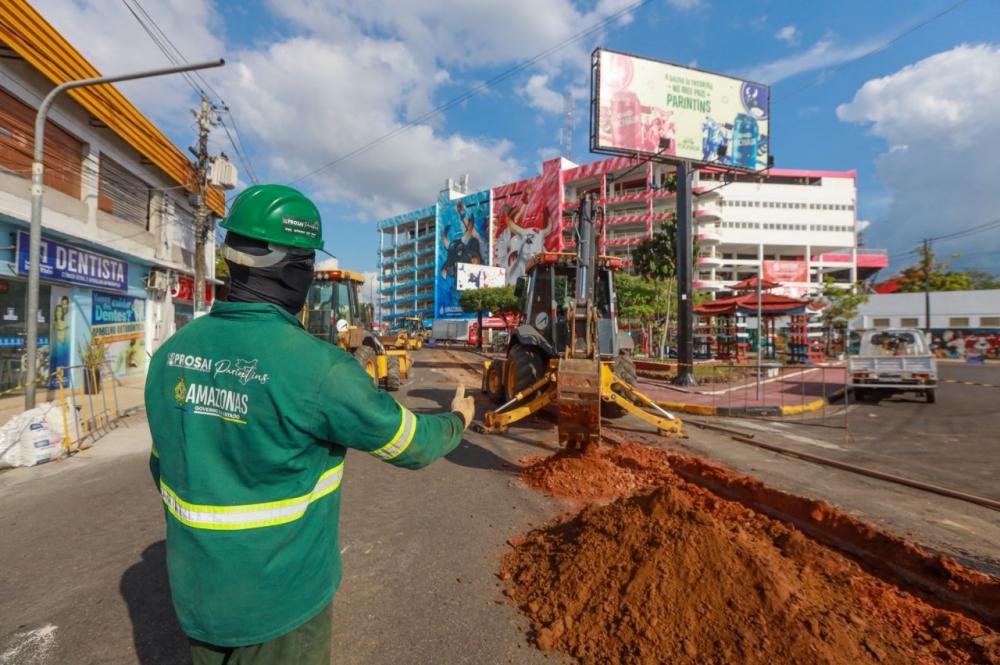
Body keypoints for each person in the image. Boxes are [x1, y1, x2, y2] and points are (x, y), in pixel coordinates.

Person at [144, 184, 474, 664]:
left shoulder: (171, 355)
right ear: (296, 271)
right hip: (282, 603)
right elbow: (412, 445)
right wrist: (456, 421)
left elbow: (163, 468)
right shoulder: (319, 369)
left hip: (199, 596)